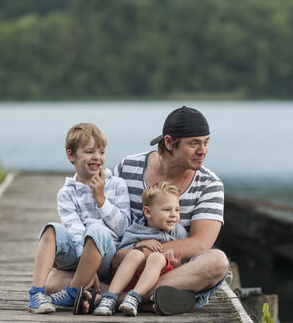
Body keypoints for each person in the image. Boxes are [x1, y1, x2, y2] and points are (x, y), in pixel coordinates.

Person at [85, 105, 229, 315]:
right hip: (123, 262)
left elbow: (200, 244)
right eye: (194, 143)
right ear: (169, 142)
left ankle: (116, 298)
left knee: (217, 261)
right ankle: (149, 298)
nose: (203, 150)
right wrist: (98, 260)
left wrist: (144, 250)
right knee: (55, 281)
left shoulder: (210, 184)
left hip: (173, 268)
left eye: (206, 142)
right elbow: (103, 217)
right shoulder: (128, 166)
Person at [28, 123, 131, 314]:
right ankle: (36, 294)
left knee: (96, 230)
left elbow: (123, 228)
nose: (97, 157)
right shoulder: (66, 193)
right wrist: (86, 268)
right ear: (71, 156)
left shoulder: (116, 185)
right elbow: (74, 229)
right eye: (89, 151)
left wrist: (101, 199)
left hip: (106, 255)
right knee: (51, 229)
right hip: (78, 254)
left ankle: (73, 291)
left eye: (101, 151)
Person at [93, 181, 188, 316]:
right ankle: (109, 298)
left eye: (176, 210)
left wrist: (176, 265)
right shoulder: (135, 230)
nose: (174, 214)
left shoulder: (179, 233)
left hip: (160, 279)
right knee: (135, 254)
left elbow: (186, 264)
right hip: (132, 278)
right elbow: (119, 256)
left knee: (156, 257)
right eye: (167, 209)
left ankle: (134, 298)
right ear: (148, 212)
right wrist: (139, 245)